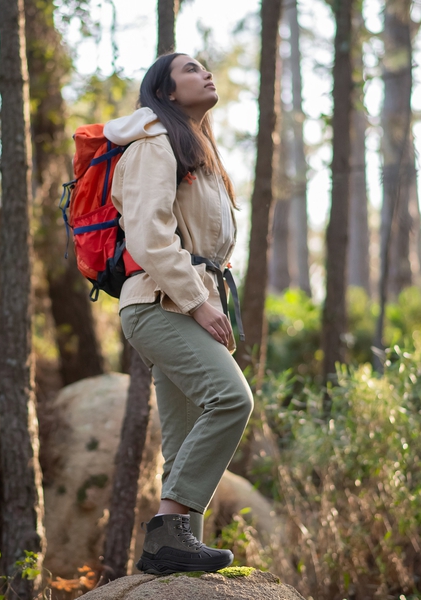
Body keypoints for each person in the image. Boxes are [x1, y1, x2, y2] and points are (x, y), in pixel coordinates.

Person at [104, 52, 254, 575]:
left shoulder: (201, 155)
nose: (205, 73)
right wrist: (198, 303)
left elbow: (209, 247)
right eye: (191, 69)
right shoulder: (152, 143)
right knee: (232, 399)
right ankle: (167, 533)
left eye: (205, 66)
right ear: (166, 94)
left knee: (185, 438)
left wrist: (205, 303)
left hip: (185, 305)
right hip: (157, 304)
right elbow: (148, 235)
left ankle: (180, 557)